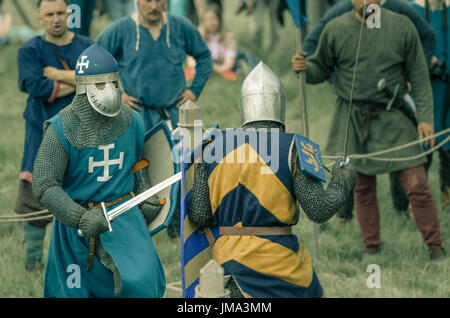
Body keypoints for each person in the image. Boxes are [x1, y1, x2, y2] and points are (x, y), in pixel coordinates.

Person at [187, 62, 358, 298]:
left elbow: (198, 215)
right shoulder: (295, 147)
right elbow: (319, 210)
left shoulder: (213, 147)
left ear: (243, 106)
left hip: (228, 264)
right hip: (282, 266)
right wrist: (342, 180)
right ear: (281, 105)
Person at [292, 0, 445, 260]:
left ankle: (436, 248)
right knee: (361, 189)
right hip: (351, 120)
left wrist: (425, 119)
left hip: (394, 116)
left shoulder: (402, 26)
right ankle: (372, 249)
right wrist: (304, 68)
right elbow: (319, 69)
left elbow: (419, 75)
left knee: (417, 183)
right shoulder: (336, 29)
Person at [32, 44, 166, 298]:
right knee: (74, 292)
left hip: (124, 218)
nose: (110, 91)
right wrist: (80, 218)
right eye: (101, 85)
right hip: (77, 228)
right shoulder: (61, 128)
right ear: (83, 87)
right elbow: (45, 184)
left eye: (114, 83)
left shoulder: (131, 121)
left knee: (143, 283)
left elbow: (137, 162)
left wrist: (145, 192)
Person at [97, 0, 212, 239]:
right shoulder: (121, 30)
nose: (153, 5)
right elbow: (96, 60)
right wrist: (116, 93)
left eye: (159, 0)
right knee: (137, 170)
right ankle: (137, 225)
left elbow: (204, 57)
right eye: (147, 0)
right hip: (137, 112)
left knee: (180, 169)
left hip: (173, 113)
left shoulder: (180, 27)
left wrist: (194, 90)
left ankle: (176, 227)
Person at [15, 0, 93, 271]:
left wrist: (59, 75)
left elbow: (101, 80)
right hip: (41, 131)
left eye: (61, 13)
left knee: (81, 197)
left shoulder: (87, 46)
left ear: (69, 14)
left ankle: (80, 261)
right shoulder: (30, 50)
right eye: (50, 14)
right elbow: (37, 87)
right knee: (35, 197)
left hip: (81, 133)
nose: (56, 19)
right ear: (40, 17)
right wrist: (80, 81)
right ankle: (34, 263)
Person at [410, 0, 450, 212]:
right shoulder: (410, 10)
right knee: (422, 147)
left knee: (448, 145)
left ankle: (447, 197)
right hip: (424, 89)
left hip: (448, 90)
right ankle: (414, 203)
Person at [185, 3, 258, 81]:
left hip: (222, 63)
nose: (211, 22)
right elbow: (191, 61)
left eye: (213, 19)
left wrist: (216, 68)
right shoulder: (198, 36)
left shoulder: (228, 37)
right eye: (207, 19)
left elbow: (228, 64)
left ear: (219, 19)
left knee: (244, 56)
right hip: (205, 64)